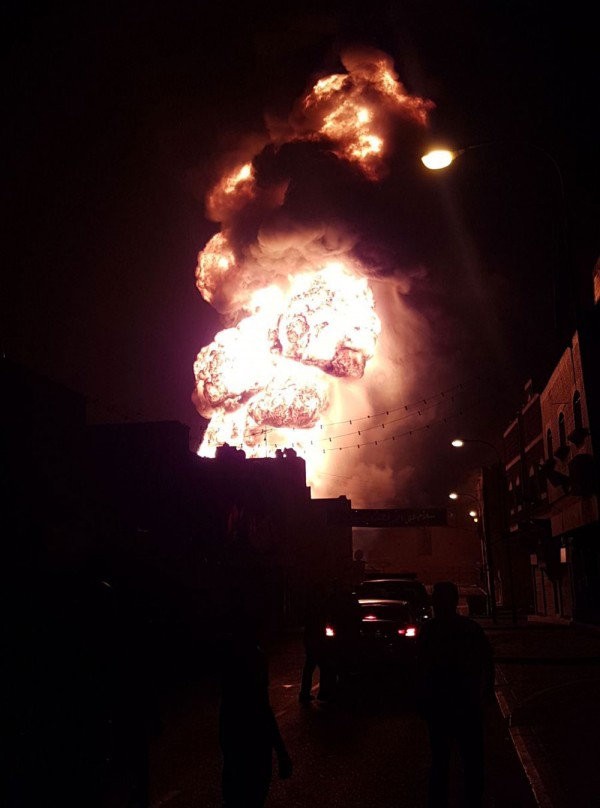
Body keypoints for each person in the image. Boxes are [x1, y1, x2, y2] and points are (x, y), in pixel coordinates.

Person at [415, 581, 495, 808]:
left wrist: (420, 697)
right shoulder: (470, 629)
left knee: (441, 760)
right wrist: (487, 690)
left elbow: (420, 666)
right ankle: (472, 800)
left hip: (440, 705)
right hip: (466, 703)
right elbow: (487, 659)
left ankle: (439, 802)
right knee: (471, 760)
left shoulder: (429, 630)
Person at [218, 614, 292, 807]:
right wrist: (281, 750)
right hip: (253, 736)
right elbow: (262, 706)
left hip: (231, 731)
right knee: (254, 793)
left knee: (234, 792)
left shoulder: (228, 657)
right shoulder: (255, 658)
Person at [299, 581, 332, 704]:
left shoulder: (311, 606)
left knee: (310, 665)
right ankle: (322, 693)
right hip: (317, 637)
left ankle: (305, 692)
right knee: (322, 665)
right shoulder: (321, 606)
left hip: (311, 637)